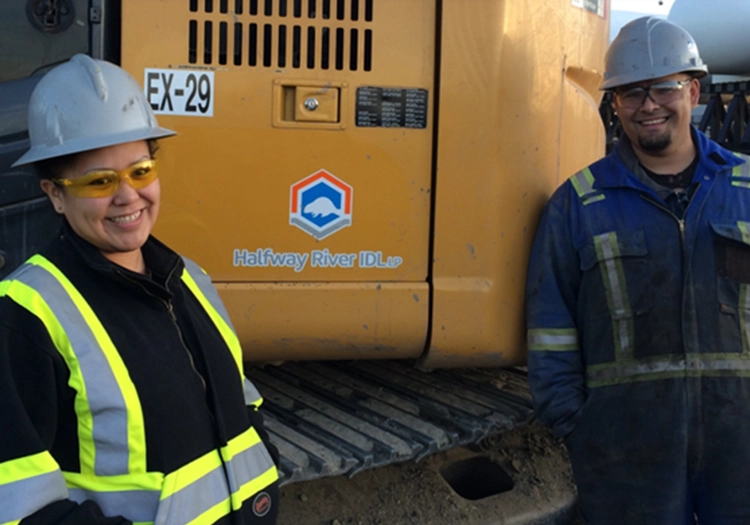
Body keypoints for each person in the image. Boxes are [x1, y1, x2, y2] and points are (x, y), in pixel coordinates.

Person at [0, 54, 280, 524]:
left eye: (141, 170)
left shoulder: (189, 278)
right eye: (99, 181)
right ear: (54, 194)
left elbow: (242, 401)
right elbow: (19, 504)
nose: (128, 195)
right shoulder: (27, 314)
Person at [526, 16, 750, 525]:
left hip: (742, 449)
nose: (647, 105)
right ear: (615, 105)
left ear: (692, 91)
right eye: (629, 93)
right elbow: (550, 330)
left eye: (662, 88)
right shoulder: (578, 205)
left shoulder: (746, 191)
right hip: (625, 453)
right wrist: (578, 426)